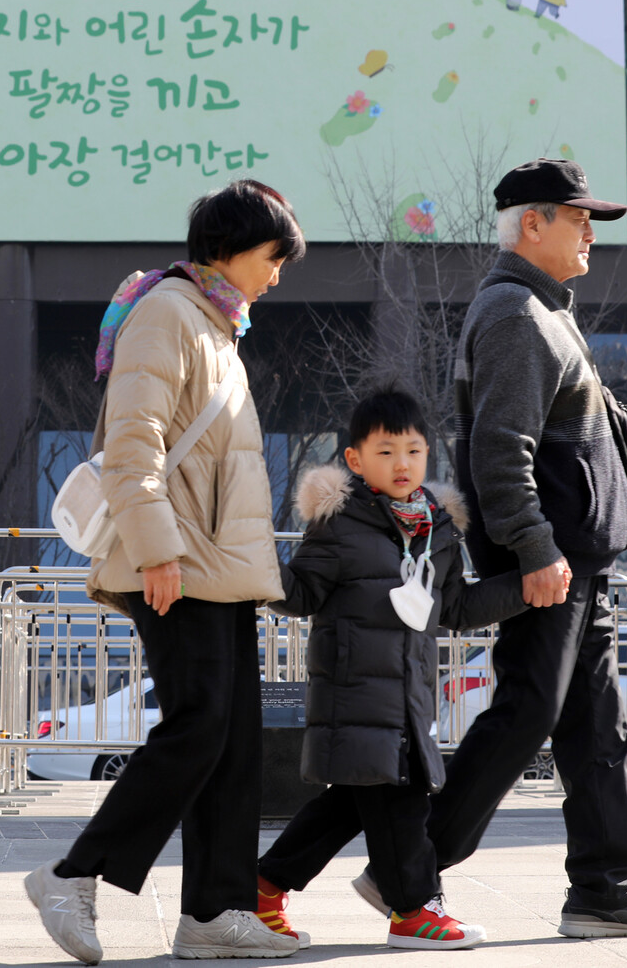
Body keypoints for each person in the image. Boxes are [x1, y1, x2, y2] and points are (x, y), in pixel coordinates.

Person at [25, 179, 307, 963]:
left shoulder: (218, 326)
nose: (278, 272)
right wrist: (156, 549)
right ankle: (69, 872)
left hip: (219, 565)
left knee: (233, 740)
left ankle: (214, 912)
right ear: (225, 249)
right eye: (271, 256)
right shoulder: (169, 314)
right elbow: (134, 441)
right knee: (199, 726)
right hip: (177, 562)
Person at [419, 157, 627, 939]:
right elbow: (499, 453)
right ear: (531, 223)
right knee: (528, 712)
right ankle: (413, 862)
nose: (590, 236)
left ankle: (603, 888)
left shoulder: (545, 309)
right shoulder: (515, 314)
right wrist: (535, 549)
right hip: (549, 562)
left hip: (576, 561)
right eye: (578, 219)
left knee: (595, 727)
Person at [253, 386, 532, 952]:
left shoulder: (439, 529)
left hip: (408, 695)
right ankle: (412, 910)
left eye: (412, 450)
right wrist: (251, 566)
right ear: (355, 460)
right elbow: (302, 592)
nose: (401, 464)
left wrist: (524, 590)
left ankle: (260, 886)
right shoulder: (341, 524)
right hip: (354, 693)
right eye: (385, 452)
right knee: (399, 799)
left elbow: (455, 609)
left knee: (351, 804)